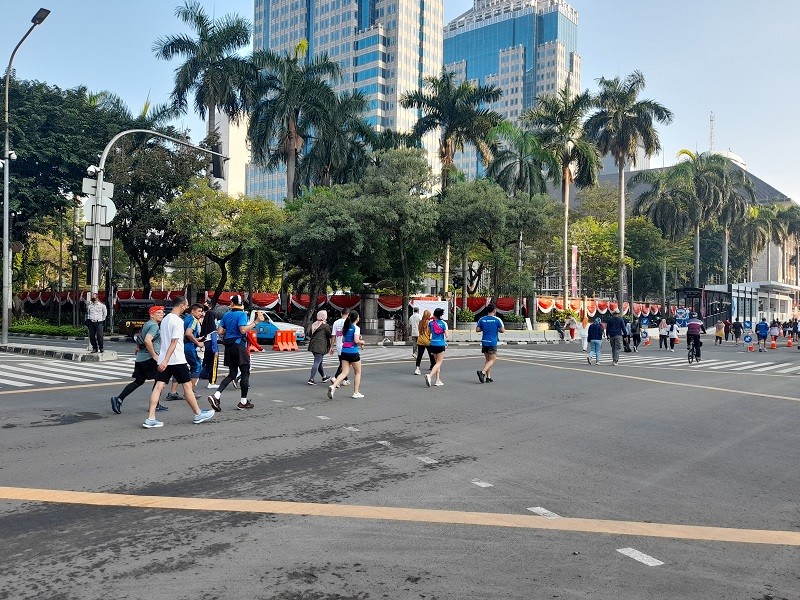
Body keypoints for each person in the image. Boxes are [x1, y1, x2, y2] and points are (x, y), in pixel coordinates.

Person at [143, 296, 215, 428]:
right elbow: (174, 342)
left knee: (158, 387)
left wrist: (163, 359)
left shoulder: (165, 320)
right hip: (175, 359)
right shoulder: (177, 321)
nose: (186, 308)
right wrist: (166, 360)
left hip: (164, 358)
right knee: (187, 387)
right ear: (182, 305)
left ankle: (150, 418)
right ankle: (198, 414)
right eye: (186, 305)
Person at [207, 295, 264, 412]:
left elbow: (220, 331)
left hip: (228, 347)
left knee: (232, 374)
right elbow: (243, 330)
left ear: (231, 304)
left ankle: (216, 395)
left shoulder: (226, 315)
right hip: (239, 346)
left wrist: (230, 329)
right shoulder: (242, 314)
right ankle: (243, 402)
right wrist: (256, 322)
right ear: (241, 304)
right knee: (245, 373)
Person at [111, 305, 167, 414]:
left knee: (139, 381)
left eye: (162, 312)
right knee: (161, 380)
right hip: (149, 359)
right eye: (159, 312)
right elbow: (147, 340)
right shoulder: (154, 325)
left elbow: (140, 338)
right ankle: (155, 405)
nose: (162, 314)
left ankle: (118, 399)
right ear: (152, 314)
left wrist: (138, 347)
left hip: (141, 358)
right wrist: (154, 355)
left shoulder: (147, 324)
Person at [327, 310, 365, 399]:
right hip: (353, 352)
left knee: (344, 372)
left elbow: (344, 340)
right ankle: (356, 392)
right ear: (356, 318)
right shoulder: (356, 328)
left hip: (344, 351)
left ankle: (333, 386)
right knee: (358, 372)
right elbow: (356, 341)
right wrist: (362, 341)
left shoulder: (346, 327)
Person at [476, 303, 505, 383]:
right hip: (492, 342)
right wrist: (497, 329)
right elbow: (502, 330)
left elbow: (477, 329)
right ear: (494, 310)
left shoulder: (482, 319)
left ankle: (488, 377)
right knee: (492, 360)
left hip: (484, 341)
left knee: (488, 360)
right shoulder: (497, 320)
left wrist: (484, 328)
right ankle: (482, 373)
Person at [306, 309, 332, 385]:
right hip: (320, 346)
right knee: (317, 362)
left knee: (319, 361)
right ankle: (311, 379)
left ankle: (324, 377)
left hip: (313, 345)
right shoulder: (325, 326)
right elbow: (329, 335)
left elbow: (310, 334)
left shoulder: (313, 324)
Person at [425, 307, 448, 387]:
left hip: (432, 344)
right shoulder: (443, 323)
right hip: (440, 344)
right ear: (441, 315)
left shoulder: (430, 323)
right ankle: (430, 376)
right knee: (439, 363)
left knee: (436, 363)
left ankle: (438, 380)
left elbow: (428, 332)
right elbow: (447, 336)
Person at [198, 303, 220, 389]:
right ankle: (212, 382)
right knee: (214, 365)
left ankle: (201, 375)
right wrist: (216, 351)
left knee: (207, 364)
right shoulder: (213, 329)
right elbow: (214, 341)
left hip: (206, 346)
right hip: (212, 347)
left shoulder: (205, 328)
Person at [329, 307, 351, 387]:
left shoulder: (336, 322)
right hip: (346, 346)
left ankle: (344, 379)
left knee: (342, 362)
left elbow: (333, 335)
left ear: (341, 314)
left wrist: (331, 347)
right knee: (345, 363)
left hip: (338, 345)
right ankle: (335, 377)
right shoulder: (348, 322)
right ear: (348, 315)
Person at [414, 309, 435, 375]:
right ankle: (433, 365)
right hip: (427, 340)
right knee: (431, 354)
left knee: (419, 355)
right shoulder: (429, 322)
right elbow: (431, 332)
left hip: (420, 340)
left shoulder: (420, 322)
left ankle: (417, 369)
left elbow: (419, 330)